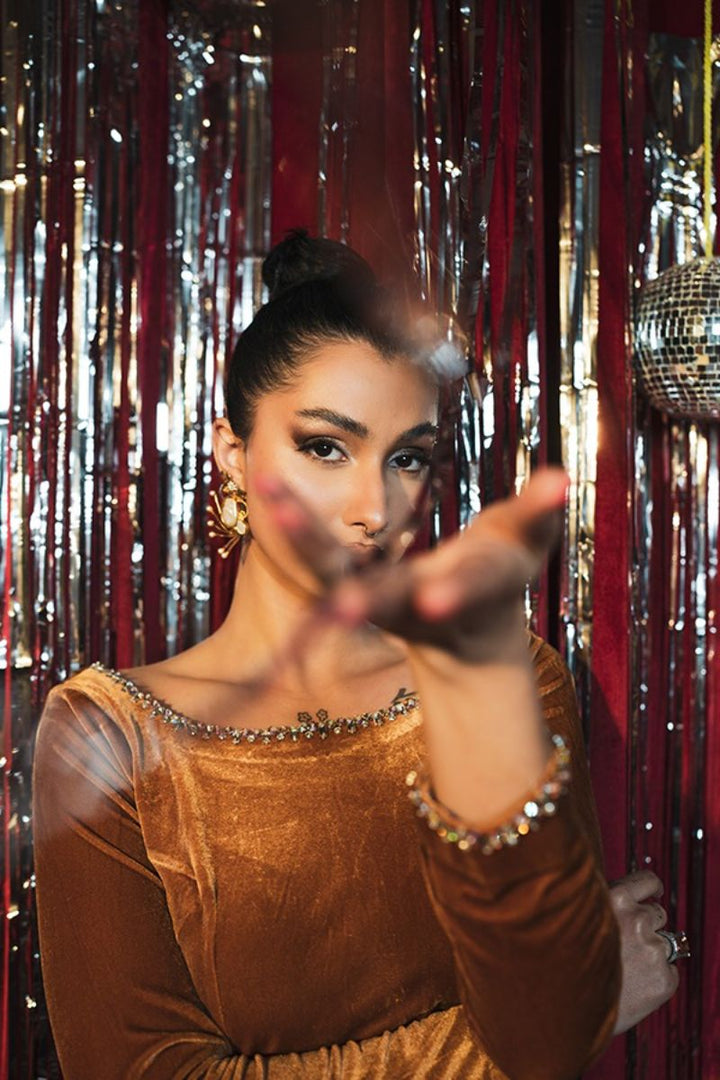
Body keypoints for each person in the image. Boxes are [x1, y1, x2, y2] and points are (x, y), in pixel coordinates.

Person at [32, 232, 680, 1080]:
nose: (374, 508)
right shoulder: (106, 736)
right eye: (325, 447)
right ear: (233, 454)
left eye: (406, 458)